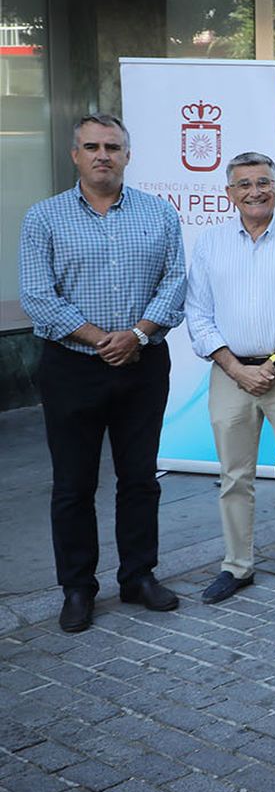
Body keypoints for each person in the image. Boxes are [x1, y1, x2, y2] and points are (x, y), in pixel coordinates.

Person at [18, 113, 187, 633]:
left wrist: (135, 335)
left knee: (139, 478)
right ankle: (77, 588)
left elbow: (175, 282)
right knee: (74, 485)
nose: (102, 155)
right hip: (71, 367)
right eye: (91, 146)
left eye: (112, 147)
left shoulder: (159, 213)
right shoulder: (43, 218)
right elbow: (37, 296)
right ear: (75, 155)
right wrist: (101, 339)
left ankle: (138, 576)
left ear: (127, 155)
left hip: (143, 363)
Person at [187, 153, 275, 604]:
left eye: (264, 182)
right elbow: (198, 314)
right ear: (230, 193)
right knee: (234, 476)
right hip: (230, 374)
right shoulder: (210, 243)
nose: (255, 191)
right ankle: (237, 566)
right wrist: (236, 368)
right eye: (244, 184)